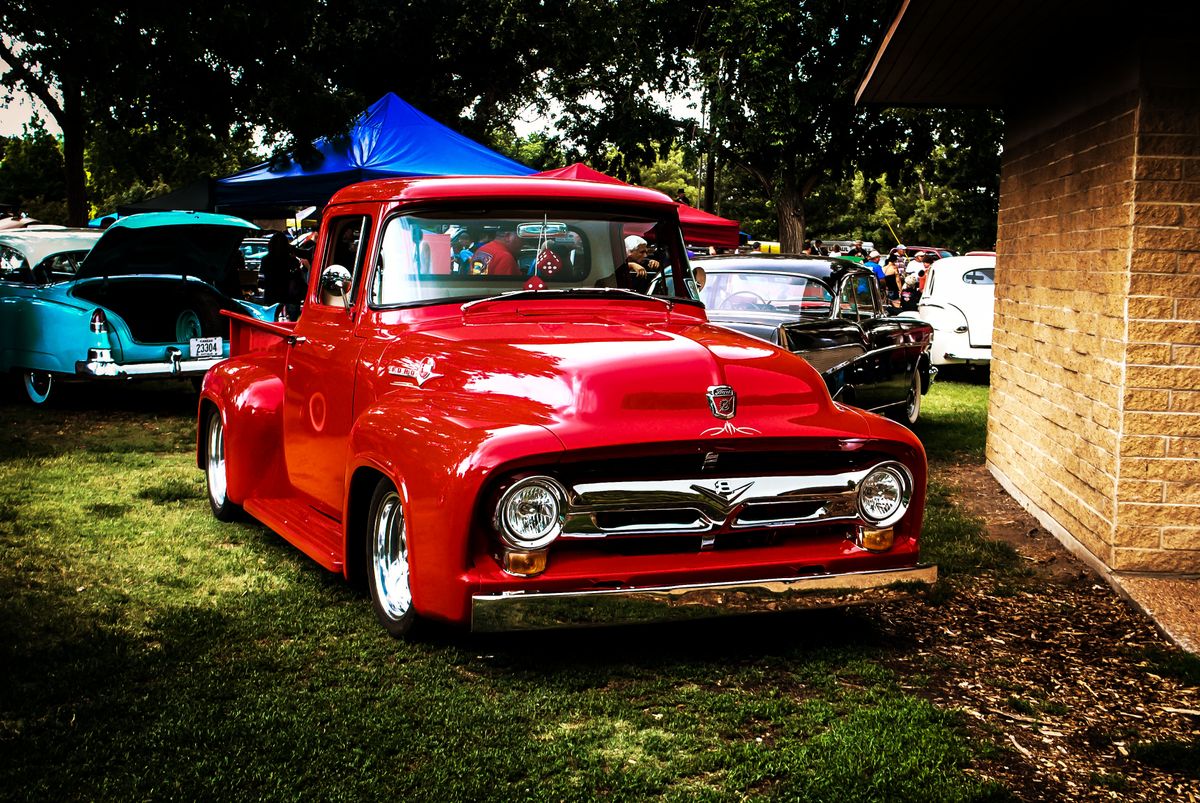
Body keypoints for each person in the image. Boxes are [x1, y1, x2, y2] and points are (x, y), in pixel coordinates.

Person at [261, 231, 305, 319]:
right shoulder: (292, 260)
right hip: (289, 292)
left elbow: (263, 275)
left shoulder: (266, 259)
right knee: (293, 318)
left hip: (272, 291)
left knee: (272, 317)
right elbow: (298, 275)